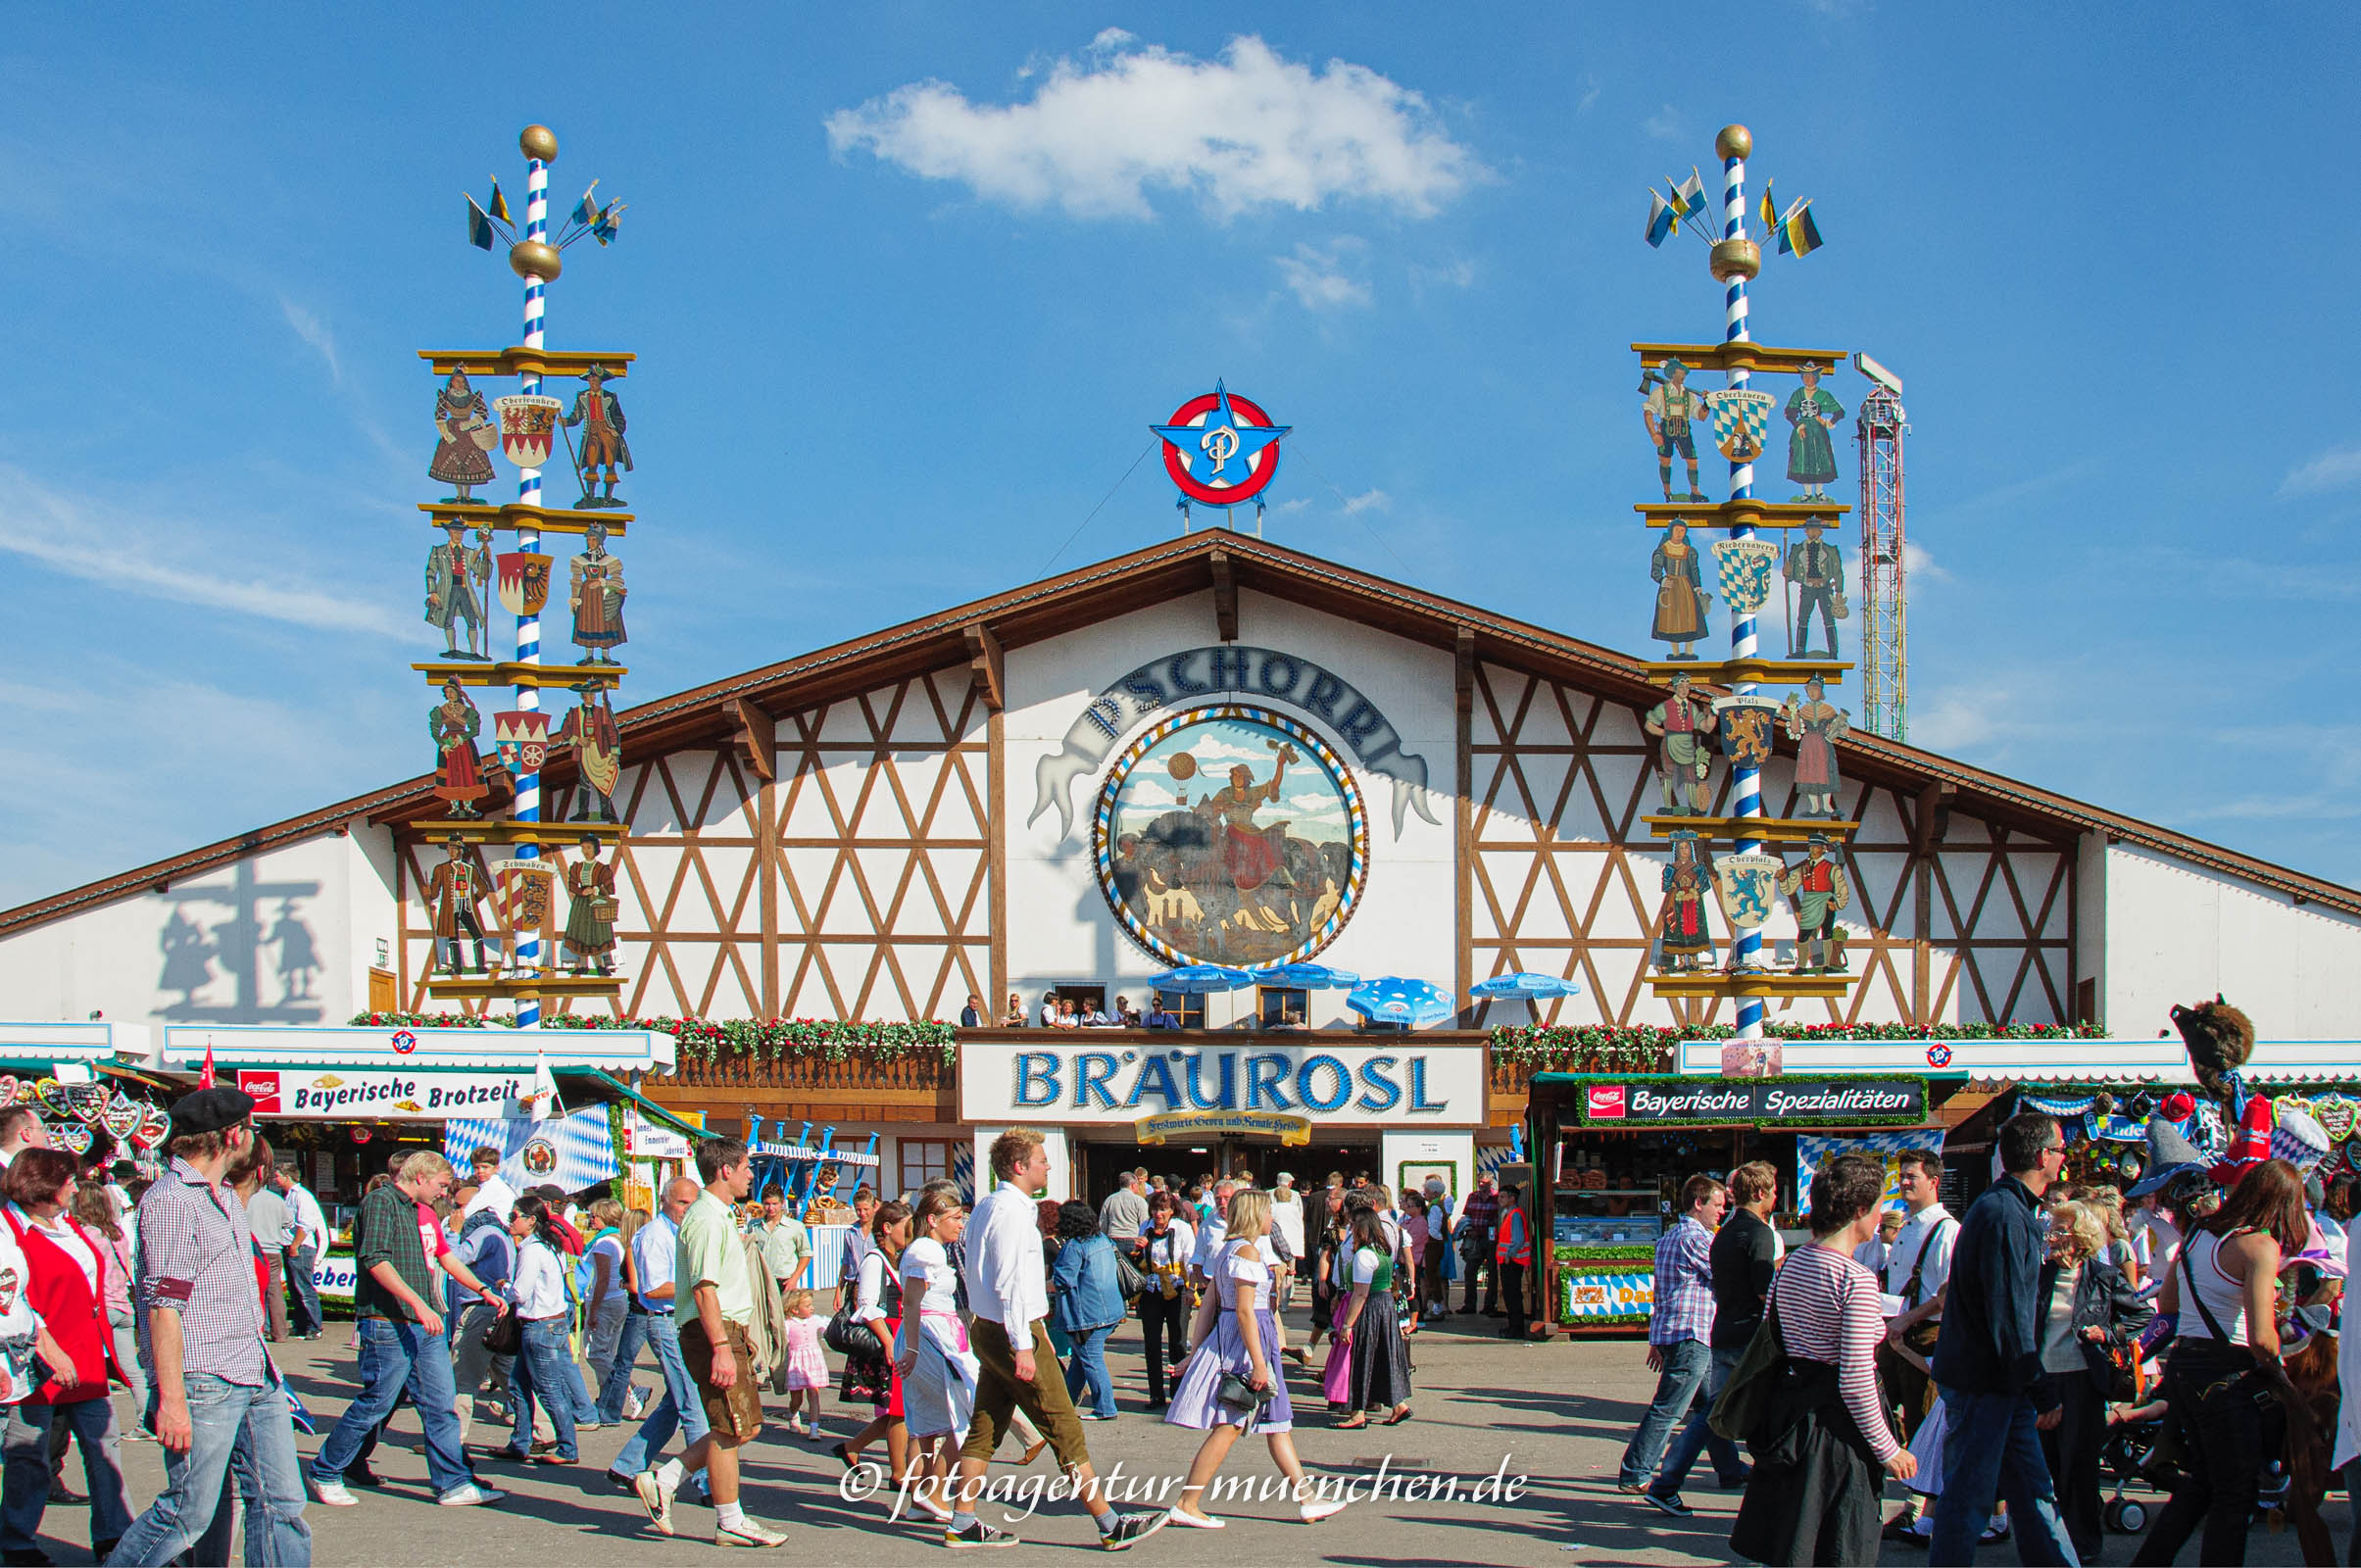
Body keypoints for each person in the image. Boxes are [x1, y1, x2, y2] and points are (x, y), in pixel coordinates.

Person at [108, 1085, 314, 1566]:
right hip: (205, 1378)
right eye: (248, 1129)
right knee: (187, 1513)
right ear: (230, 1136)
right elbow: (164, 1307)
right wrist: (172, 1401)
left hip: (252, 1371)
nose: (251, 1138)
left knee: (281, 1503)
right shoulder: (174, 1200)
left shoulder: (220, 1193)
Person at [943, 1128, 1166, 1549]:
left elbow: (978, 1274)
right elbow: (1010, 1283)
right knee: (1063, 1423)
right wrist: (1024, 1344)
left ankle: (962, 1520)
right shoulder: (1011, 1212)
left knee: (986, 1424)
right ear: (1019, 1166)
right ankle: (1108, 1522)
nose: (1047, 1164)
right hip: (1014, 1330)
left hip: (988, 1327)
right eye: (1041, 1159)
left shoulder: (988, 1205)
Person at [1730, 1153, 1915, 1565]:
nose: (1883, 1215)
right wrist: (1888, 1448)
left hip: (1794, 1417)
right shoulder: (1856, 1279)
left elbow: (1772, 1337)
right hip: (1839, 1431)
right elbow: (1855, 1377)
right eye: (1880, 1205)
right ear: (1861, 1211)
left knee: (1796, 1543)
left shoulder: (1792, 1265)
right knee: (1840, 1547)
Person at [2132, 1157, 2311, 1565]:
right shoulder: (2259, 1246)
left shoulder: (2198, 1236)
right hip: (2226, 1376)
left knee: (2202, 1484)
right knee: (2235, 1493)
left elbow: (2168, 1303)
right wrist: (2282, 1379)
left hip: (2184, 1367)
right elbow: (2262, 1339)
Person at [308, 1150, 506, 1509]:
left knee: (441, 1405)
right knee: (376, 1403)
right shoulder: (382, 1202)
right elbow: (375, 1260)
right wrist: (417, 1303)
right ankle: (325, 1470)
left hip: (421, 1323)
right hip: (388, 1322)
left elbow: (445, 1258)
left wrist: (484, 1289)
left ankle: (453, 1482)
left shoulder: (420, 1211)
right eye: (441, 1185)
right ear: (420, 1176)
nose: (445, 1193)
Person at [1926, 1111, 2080, 1564]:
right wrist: (2040, 1385)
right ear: (2041, 1156)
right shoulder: (2004, 1215)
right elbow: (2008, 1314)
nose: (2064, 1156)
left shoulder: (2009, 1209)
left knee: (2034, 1490)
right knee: (1969, 1497)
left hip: (2000, 1382)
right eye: (2059, 1149)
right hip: (1986, 1382)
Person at [1160, 1189, 1348, 1530]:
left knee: (1277, 1423)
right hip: (1247, 1344)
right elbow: (1245, 1311)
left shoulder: (1229, 1250)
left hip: (1240, 1339)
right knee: (1230, 1423)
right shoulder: (1245, 1251)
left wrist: (1194, 1352)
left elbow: (1211, 1307)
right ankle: (1188, 1502)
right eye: (1267, 1214)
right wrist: (1259, 1363)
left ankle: (1307, 1499)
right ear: (1254, 1216)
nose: (1271, 1219)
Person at [630, 1139, 786, 1547]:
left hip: (725, 1330)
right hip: (710, 1331)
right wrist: (720, 1345)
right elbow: (703, 1289)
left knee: (743, 1426)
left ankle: (664, 1480)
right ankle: (729, 1519)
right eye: (747, 1167)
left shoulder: (718, 1214)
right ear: (725, 1170)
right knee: (731, 1428)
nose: (752, 1174)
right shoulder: (704, 1218)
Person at [1, 1150, 131, 1561]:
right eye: (68, 1182)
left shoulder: (67, 1223)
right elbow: (16, 1298)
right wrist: (48, 1347)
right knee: (29, 1457)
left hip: (87, 1355)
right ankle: (17, 1541)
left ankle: (114, 1536)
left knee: (105, 1450)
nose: (76, 1188)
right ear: (46, 1189)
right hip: (37, 1361)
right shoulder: (9, 1231)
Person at [1649, 1161, 1777, 1513]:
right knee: (1767, 1409)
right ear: (1762, 1193)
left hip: (1721, 1329)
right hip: (1750, 1335)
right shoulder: (1758, 1234)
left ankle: (1672, 1480)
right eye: (1775, 1192)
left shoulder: (1722, 1234)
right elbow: (1767, 1295)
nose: (1776, 1199)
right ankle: (1778, 1488)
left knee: (1713, 1411)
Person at [2037, 1199, 2151, 1562]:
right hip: (2044, 1381)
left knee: (2079, 1465)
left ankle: (2083, 1544)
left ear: (2080, 1236)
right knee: (2045, 1466)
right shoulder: (2040, 1276)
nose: (2052, 1236)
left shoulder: (2103, 1276)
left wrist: (2107, 1331)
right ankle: (2049, 1542)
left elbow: (2141, 1315)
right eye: (2052, 1229)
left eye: (2060, 1229)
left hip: (2082, 1381)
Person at [1619, 1174, 1736, 1501]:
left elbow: (1664, 1291)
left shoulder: (1673, 1234)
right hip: (1691, 1332)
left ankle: (1730, 1468)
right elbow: (1724, 1273)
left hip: (1681, 1331)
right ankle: (1636, 1472)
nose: (1721, 1212)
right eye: (1717, 1204)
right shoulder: (1695, 1237)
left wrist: (1657, 1338)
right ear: (1698, 1203)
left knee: (1711, 1407)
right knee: (1670, 1408)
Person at [605, 1178, 709, 1497]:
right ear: (665, 1202)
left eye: (693, 1203)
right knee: (693, 1403)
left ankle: (628, 1465)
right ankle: (708, 1482)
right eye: (681, 1203)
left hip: (684, 1321)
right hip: (666, 1323)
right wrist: (700, 1284)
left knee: (675, 1403)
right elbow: (651, 1288)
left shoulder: (683, 1232)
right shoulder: (653, 1235)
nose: (687, 1209)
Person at [894, 1189, 975, 1521]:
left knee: (930, 1425)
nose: (960, 1224)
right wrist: (912, 1348)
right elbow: (912, 1302)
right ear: (932, 1220)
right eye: (955, 1219)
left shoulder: (930, 1249)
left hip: (931, 1336)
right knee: (963, 1419)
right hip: (929, 1339)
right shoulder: (927, 1250)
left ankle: (923, 1501)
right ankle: (933, 1494)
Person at [492, 1196, 583, 1469]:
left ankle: (568, 1447)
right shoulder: (548, 1245)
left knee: (549, 1389)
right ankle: (519, 1442)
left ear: (531, 1220)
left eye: (515, 1215)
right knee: (518, 1384)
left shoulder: (532, 1249)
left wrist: (501, 1288)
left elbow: (521, 1291)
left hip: (539, 1324)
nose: (511, 1220)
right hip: (550, 1321)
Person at [833, 1201, 911, 1494]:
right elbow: (867, 1306)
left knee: (898, 1410)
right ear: (888, 1229)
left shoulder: (898, 1259)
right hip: (886, 1335)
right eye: (907, 1227)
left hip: (899, 1333)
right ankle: (899, 1473)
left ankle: (852, 1447)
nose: (912, 1232)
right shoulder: (875, 1260)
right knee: (899, 1410)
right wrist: (890, 1342)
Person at [72, 1184, 145, 1452]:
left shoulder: (86, 1235)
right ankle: (146, 1419)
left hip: (101, 1308)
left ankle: (101, 1425)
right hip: (124, 1305)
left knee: (97, 1372)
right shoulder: (117, 1234)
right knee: (131, 1369)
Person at [1328, 1201, 1412, 1429]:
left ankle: (1358, 1413)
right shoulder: (1383, 1251)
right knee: (1385, 1355)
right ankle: (1398, 1405)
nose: (1350, 1228)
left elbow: (1360, 1294)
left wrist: (1347, 1324)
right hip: (1385, 1305)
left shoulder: (1364, 1255)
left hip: (1371, 1307)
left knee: (1362, 1357)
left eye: (1353, 1225)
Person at [1049, 1201, 1124, 1422]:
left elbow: (1063, 1281)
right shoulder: (1103, 1240)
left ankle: (1105, 1408)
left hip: (1085, 1316)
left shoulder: (1073, 1247)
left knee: (1090, 1359)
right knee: (1081, 1361)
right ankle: (1065, 1403)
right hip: (1109, 1310)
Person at [576, 1199, 636, 1423]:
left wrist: (593, 1310)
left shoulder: (603, 1244)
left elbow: (601, 1279)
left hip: (605, 1300)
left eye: (595, 1216)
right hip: (618, 1299)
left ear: (606, 1217)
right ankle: (607, 1401)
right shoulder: (620, 1240)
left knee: (594, 1353)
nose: (591, 1219)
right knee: (607, 1353)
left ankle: (629, 1389)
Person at [1136, 1194, 1194, 1410]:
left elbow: (1189, 1258)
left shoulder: (1181, 1229)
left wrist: (1191, 1288)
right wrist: (1138, 1248)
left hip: (1176, 1288)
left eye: (1163, 1209)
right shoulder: (1146, 1226)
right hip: (1152, 1290)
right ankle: (1156, 1394)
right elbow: (1140, 1260)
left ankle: (1178, 1393)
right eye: (1155, 1209)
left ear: (1172, 1211)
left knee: (1178, 1341)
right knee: (1151, 1341)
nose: (1158, 1214)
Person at [280, 1170, 328, 1342]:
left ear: (287, 1176)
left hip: (302, 1247)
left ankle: (315, 1327)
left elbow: (306, 1224)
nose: (276, 1179)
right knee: (294, 1289)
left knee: (304, 1289)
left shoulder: (302, 1196)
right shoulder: (288, 1196)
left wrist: (295, 1245)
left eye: (278, 1176)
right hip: (289, 1245)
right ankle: (301, 1324)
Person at [777, 1290, 826, 1438]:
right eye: (807, 1305)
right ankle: (793, 1413)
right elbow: (780, 1340)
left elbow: (829, 1327)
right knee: (796, 1398)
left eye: (811, 1304)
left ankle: (814, 1428)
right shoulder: (788, 1324)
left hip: (813, 1361)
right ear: (795, 1309)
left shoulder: (815, 1320)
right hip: (796, 1364)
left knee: (814, 1394)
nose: (812, 1308)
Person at [1457, 1173, 1500, 1316]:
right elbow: (1467, 1216)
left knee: (1492, 1273)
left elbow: (1499, 1218)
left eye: (1484, 1182)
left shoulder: (1497, 1197)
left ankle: (1489, 1305)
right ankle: (1469, 1304)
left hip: (1490, 1238)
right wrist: (1468, 1231)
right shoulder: (1472, 1196)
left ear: (1491, 1183)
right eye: (1479, 1182)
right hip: (1474, 1237)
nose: (1481, 1185)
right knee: (1470, 1271)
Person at [833, 1188, 879, 1314]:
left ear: (874, 1207)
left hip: (877, 1285)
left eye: (866, 1209)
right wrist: (838, 1291)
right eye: (858, 1210)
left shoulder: (881, 1231)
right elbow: (846, 1263)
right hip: (854, 1285)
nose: (862, 1213)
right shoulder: (850, 1233)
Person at [1495, 1183, 1531, 1335]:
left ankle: (1516, 1328)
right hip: (1509, 1261)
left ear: (1512, 1198)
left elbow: (1518, 1239)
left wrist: (1509, 1255)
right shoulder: (1509, 1213)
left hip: (1513, 1261)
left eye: (1503, 1196)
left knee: (1513, 1295)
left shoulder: (1514, 1214)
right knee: (1510, 1295)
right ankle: (1513, 1326)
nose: (1499, 1200)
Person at [459, 1148, 516, 1226]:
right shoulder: (491, 1183)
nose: (480, 1171)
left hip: (502, 1224)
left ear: (496, 1169)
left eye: (485, 1167)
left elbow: (470, 1210)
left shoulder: (492, 1185)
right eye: (476, 1168)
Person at [1098, 1171, 1148, 1249]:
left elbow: (1103, 1223)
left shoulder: (1110, 1199)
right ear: (1133, 1185)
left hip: (1113, 1239)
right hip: (1133, 1239)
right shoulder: (1139, 1201)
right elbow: (1144, 1223)